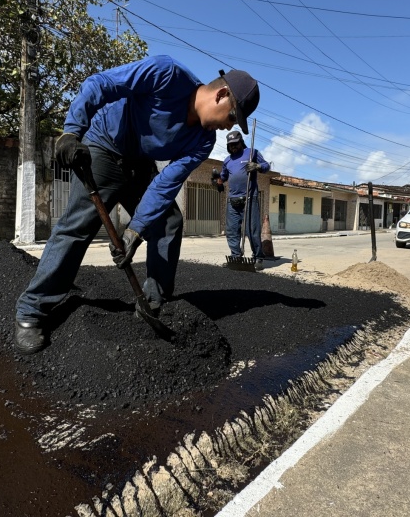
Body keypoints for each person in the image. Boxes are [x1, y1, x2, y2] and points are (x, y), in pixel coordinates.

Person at [14, 55, 260, 354]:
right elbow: (101, 84)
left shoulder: (202, 141)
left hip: (139, 164)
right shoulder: (167, 73)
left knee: (168, 221)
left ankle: (154, 303)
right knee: (77, 227)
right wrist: (72, 131)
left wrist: (136, 230)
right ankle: (31, 312)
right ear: (221, 95)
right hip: (105, 146)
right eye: (232, 118)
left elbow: (165, 184)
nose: (227, 128)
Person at [215, 130, 270, 271]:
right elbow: (223, 177)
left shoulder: (252, 152)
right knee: (232, 231)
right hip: (232, 200)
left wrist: (257, 166)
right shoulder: (227, 160)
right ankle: (235, 256)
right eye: (230, 145)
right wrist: (218, 181)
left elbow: (266, 166)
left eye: (235, 144)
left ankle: (258, 257)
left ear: (240, 142)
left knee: (252, 230)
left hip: (249, 197)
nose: (233, 147)